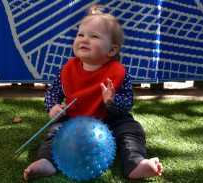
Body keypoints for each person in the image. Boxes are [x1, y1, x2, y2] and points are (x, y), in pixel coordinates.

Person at [24, 6, 163, 180]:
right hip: (74, 120)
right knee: (54, 132)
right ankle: (47, 162)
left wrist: (112, 101)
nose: (84, 40)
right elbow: (53, 93)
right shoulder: (67, 70)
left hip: (112, 119)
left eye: (94, 36)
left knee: (132, 130)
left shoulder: (118, 72)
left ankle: (136, 163)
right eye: (80, 35)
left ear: (111, 50)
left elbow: (128, 102)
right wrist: (53, 108)